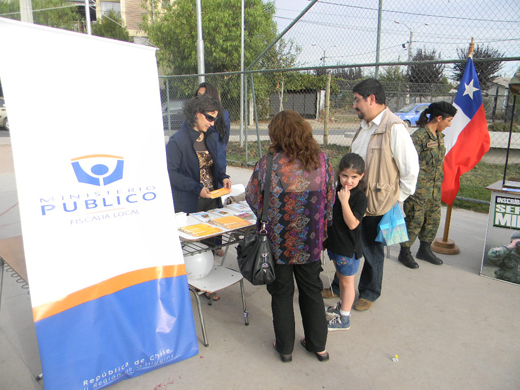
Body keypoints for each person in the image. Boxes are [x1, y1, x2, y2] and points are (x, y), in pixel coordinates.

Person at [245, 110, 335, 363]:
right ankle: (319, 347)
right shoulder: (322, 161)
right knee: (312, 291)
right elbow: (330, 203)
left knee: (282, 294)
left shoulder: (268, 163)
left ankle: (285, 348)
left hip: (278, 243)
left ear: (276, 134)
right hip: (310, 243)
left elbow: (254, 199)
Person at [348, 78, 419, 312]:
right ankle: (341, 287)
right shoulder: (365, 126)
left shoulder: (394, 127)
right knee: (348, 246)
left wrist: (398, 200)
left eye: (357, 100)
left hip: (378, 203)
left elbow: (410, 170)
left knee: (371, 250)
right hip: (354, 201)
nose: (354, 105)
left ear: (372, 99)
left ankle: (369, 292)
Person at [166, 94, 232, 300]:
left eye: (214, 119)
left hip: (211, 198)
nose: (212, 123)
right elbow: (171, 173)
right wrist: (196, 188)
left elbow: (215, 166)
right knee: (193, 245)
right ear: (197, 114)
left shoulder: (211, 135)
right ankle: (193, 282)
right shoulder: (178, 141)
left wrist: (224, 177)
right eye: (209, 118)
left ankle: (206, 282)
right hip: (190, 200)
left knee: (211, 241)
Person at [398, 102, 457, 269]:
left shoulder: (438, 136)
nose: (449, 124)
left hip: (434, 190)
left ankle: (424, 249)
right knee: (414, 221)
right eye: (449, 120)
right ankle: (405, 252)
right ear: (439, 118)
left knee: (433, 220)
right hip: (418, 191)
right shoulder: (419, 138)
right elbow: (405, 164)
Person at [324, 153, 367, 331]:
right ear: (339, 174)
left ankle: (345, 319)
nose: (348, 181)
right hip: (336, 245)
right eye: (345, 176)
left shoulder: (358, 197)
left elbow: (352, 223)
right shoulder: (337, 190)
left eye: (354, 177)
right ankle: (342, 306)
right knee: (341, 278)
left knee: (347, 283)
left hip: (348, 249)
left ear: (361, 176)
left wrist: (344, 202)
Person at [193, 82, 231, 257]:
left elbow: (224, 139)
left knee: (216, 205)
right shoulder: (194, 116)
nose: (200, 98)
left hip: (217, 159)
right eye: (198, 95)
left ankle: (216, 243)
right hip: (201, 163)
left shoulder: (223, 115)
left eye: (204, 95)